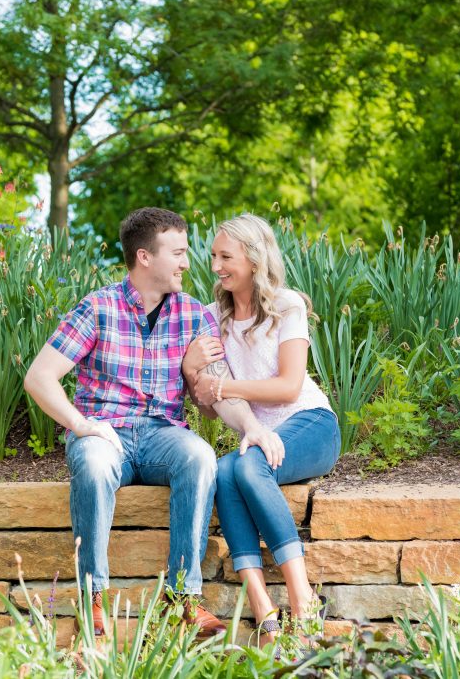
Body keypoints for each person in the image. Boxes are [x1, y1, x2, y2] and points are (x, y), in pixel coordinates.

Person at [24, 207, 271, 638]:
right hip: (106, 431)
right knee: (96, 465)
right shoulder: (98, 307)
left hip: (163, 434)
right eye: (177, 252)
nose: (187, 262)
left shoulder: (195, 314)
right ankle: (93, 601)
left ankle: (184, 600)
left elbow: (217, 389)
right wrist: (80, 424)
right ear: (144, 257)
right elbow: (39, 377)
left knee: (199, 455)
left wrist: (249, 425)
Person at [182, 213, 340, 647]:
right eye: (213, 255)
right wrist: (194, 374)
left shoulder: (286, 305)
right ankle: (262, 609)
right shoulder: (214, 317)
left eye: (225, 256)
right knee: (225, 471)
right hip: (257, 435)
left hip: (310, 424)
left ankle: (302, 598)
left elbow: (289, 386)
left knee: (247, 467)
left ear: (254, 258)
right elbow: (212, 407)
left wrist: (221, 384)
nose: (215, 265)